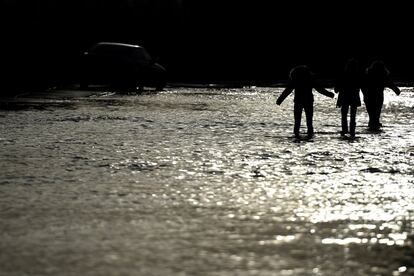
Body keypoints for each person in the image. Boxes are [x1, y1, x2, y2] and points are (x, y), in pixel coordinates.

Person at [276, 65, 335, 138]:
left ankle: (297, 135)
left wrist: (280, 100)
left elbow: (287, 91)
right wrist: (329, 94)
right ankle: (309, 135)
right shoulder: (309, 80)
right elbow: (319, 89)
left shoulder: (296, 81)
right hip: (308, 102)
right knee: (309, 121)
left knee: (297, 121)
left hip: (299, 102)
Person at [362, 60, 401, 131]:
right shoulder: (382, 76)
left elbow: (362, 85)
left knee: (371, 111)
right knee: (377, 111)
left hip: (368, 96)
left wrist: (364, 94)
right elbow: (390, 84)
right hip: (378, 96)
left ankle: (372, 123)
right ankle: (375, 123)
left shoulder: (368, 75)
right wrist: (396, 90)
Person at [334, 58, 363, 137]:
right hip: (354, 97)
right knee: (353, 115)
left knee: (344, 114)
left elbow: (336, 89)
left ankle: (344, 130)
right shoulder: (358, 76)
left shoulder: (342, 75)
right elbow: (362, 86)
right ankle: (352, 130)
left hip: (344, 97)